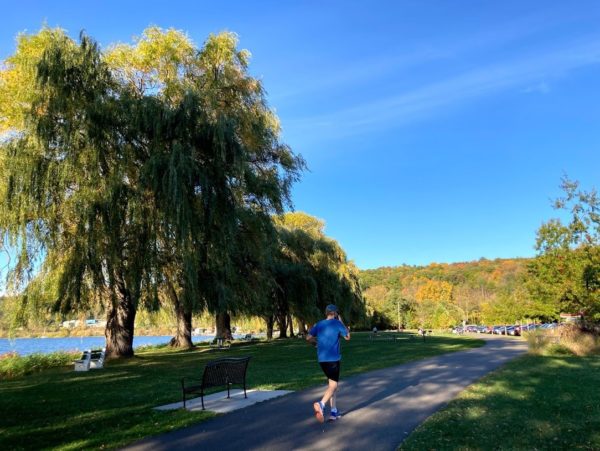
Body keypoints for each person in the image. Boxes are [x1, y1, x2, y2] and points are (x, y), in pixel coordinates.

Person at [306, 304, 351, 423]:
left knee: (331, 384)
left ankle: (334, 412)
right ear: (335, 313)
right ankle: (321, 404)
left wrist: (316, 344)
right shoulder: (337, 323)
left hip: (322, 360)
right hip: (333, 359)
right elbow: (347, 337)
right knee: (334, 386)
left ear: (326, 313)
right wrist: (341, 322)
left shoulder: (319, 324)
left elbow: (308, 337)